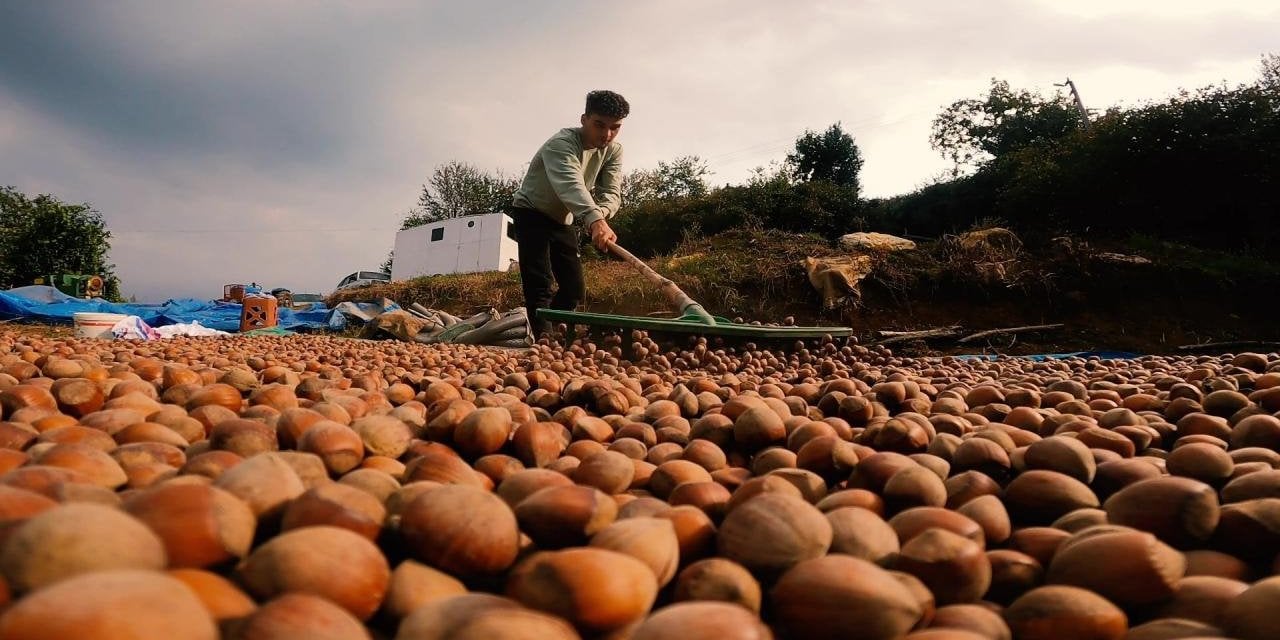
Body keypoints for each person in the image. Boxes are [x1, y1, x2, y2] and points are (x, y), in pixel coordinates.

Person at [510, 89, 628, 339]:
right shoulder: (560, 144)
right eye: (599, 125)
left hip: (563, 219)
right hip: (531, 211)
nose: (607, 134)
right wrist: (594, 218)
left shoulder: (613, 151)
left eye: (614, 127)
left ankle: (558, 335)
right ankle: (544, 339)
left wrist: (601, 216)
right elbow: (570, 184)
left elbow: (612, 192)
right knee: (539, 280)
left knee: (574, 287)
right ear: (584, 119)